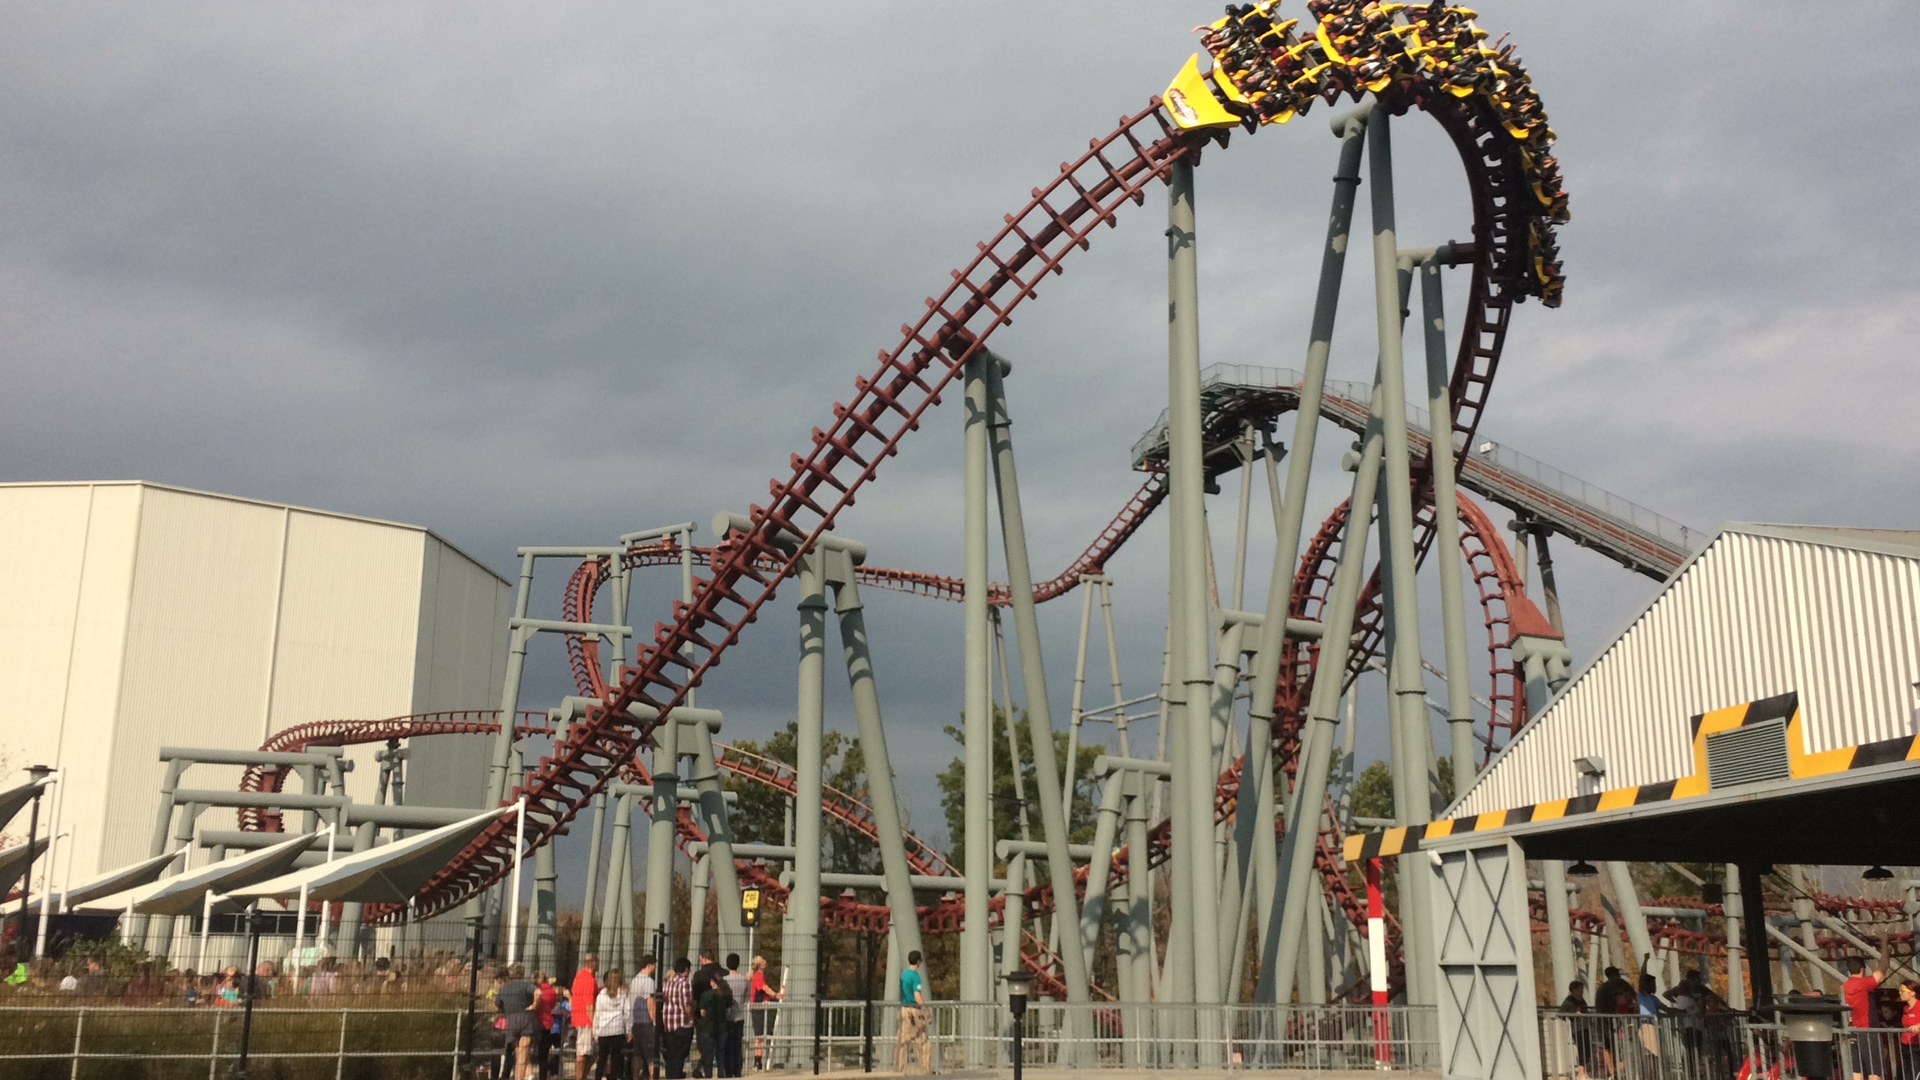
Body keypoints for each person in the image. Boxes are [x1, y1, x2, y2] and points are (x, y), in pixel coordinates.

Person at [1847, 959, 1888, 1080]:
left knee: (1857, 1070)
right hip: (1868, 1030)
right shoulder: (1863, 983)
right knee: (1874, 1070)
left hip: (1852, 1030)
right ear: (1862, 969)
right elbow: (1883, 967)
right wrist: (1885, 948)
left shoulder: (1844, 986)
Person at [499, 963, 541, 1080]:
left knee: (518, 1054)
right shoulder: (526, 985)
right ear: (522, 973)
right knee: (523, 1056)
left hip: (511, 1021)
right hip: (526, 1019)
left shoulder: (504, 988)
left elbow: (499, 1004)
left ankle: (523, 1076)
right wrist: (534, 1005)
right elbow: (538, 992)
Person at [895, 950, 930, 1075]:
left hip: (903, 1009)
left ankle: (900, 1071)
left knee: (903, 1042)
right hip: (914, 1010)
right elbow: (917, 996)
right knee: (923, 1041)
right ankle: (925, 1071)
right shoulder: (916, 977)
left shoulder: (903, 975)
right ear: (918, 962)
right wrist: (926, 1010)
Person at [594, 969, 634, 1080]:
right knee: (616, 1058)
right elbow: (627, 1013)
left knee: (602, 1058)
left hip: (604, 1029)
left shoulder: (601, 994)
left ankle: (598, 1077)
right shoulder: (623, 994)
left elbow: (597, 1014)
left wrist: (595, 1031)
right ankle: (614, 1077)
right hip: (617, 1029)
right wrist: (629, 1029)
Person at [661, 958, 696, 1080]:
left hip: (669, 1022)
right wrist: (692, 1019)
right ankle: (676, 1075)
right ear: (686, 969)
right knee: (681, 1054)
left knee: (671, 1055)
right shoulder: (685, 982)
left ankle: (670, 1076)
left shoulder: (668, 982)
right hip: (682, 1023)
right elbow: (687, 1005)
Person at [696, 968, 732, 1079]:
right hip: (722, 1027)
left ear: (712, 982)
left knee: (709, 1053)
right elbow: (727, 1010)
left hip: (709, 1027)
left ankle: (708, 1074)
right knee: (720, 1053)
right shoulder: (725, 995)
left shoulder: (706, 995)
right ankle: (721, 1074)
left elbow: (702, 1012)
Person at [748, 955, 781, 1071]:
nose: (765, 962)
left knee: (761, 1035)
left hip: (761, 1008)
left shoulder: (760, 976)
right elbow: (764, 988)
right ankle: (757, 1061)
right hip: (758, 1008)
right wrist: (776, 995)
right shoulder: (758, 976)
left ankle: (758, 1060)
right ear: (759, 965)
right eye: (763, 961)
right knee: (759, 1036)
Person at [574, 954, 601, 1080]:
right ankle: (580, 1077)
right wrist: (594, 1023)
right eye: (598, 962)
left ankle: (582, 1076)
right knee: (583, 1053)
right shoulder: (588, 979)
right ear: (593, 963)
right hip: (586, 1020)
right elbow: (589, 1004)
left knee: (592, 1052)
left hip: (580, 1017)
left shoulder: (580, 976)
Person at [632, 955, 660, 1080]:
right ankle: (653, 1076)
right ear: (649, 965)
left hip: (636, 1021)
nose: (655, 968)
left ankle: (635, 1076)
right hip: (646, 1022)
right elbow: (650, 1003)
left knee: (637, 1054)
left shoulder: (635, 980)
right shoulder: (649, 981)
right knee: (651, 1056)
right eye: (654, 965)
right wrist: (655, 1021)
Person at [722, 954, 750, 1078]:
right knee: (738, 1045)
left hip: (727, 1016)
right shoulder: (744, 980)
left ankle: (728, 1071)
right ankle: (738, 1071)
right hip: (740, 1015)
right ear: (738, 964)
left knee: (728, 1045)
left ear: (727, 964)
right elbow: (747, 998)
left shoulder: (724, 980)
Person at [533, 973, 562, 1080]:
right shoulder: (551, 991)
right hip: (547, 1023)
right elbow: (553, 1004)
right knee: (544, 1055)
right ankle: (543, 1076)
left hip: (535, 1022)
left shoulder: (534, 990)